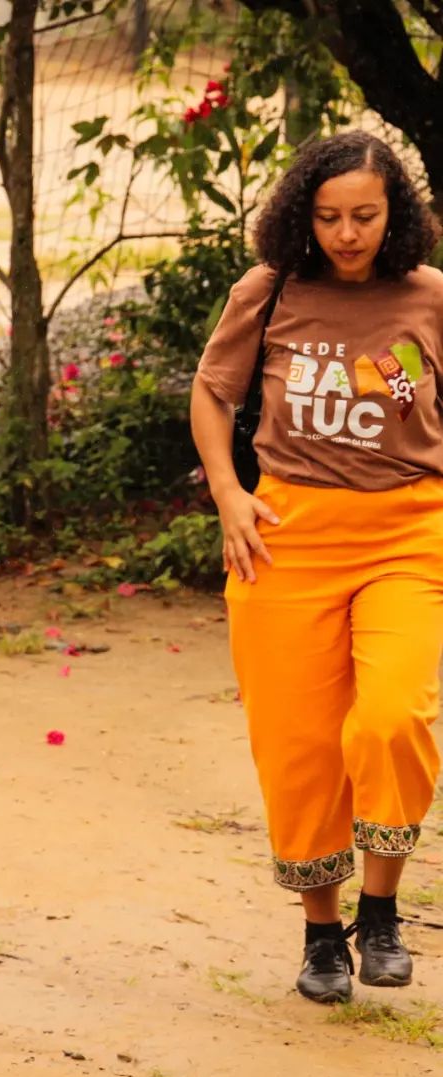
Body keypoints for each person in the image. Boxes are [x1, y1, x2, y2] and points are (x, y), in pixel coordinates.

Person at [191, 130, 443, 1004]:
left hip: (408, 534)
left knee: (392, 719)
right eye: (330, 217)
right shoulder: (270, 292)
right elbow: (214, 391)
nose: (347, 234)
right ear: (303, 215)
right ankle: (321, 936)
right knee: (298, 749)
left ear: (394, 214)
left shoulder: (430, 298)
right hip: (285, 536)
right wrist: (229, 493)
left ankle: (381, 914)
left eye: (365, 216)